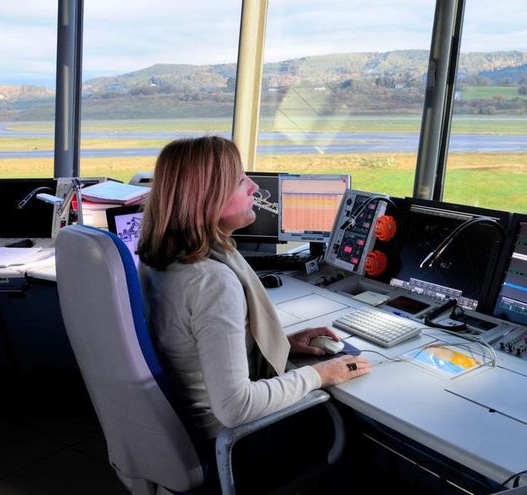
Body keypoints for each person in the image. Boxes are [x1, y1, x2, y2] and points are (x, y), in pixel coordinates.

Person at [137, 136, 370, 439]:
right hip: (233, 443)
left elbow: (195, 345)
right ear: (206, 199)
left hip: (179, 428)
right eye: (239, 181)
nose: (254, 187)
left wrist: (278, 342)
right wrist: (320, 374)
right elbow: (236, 406)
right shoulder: (211, 281)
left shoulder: (162, 258)